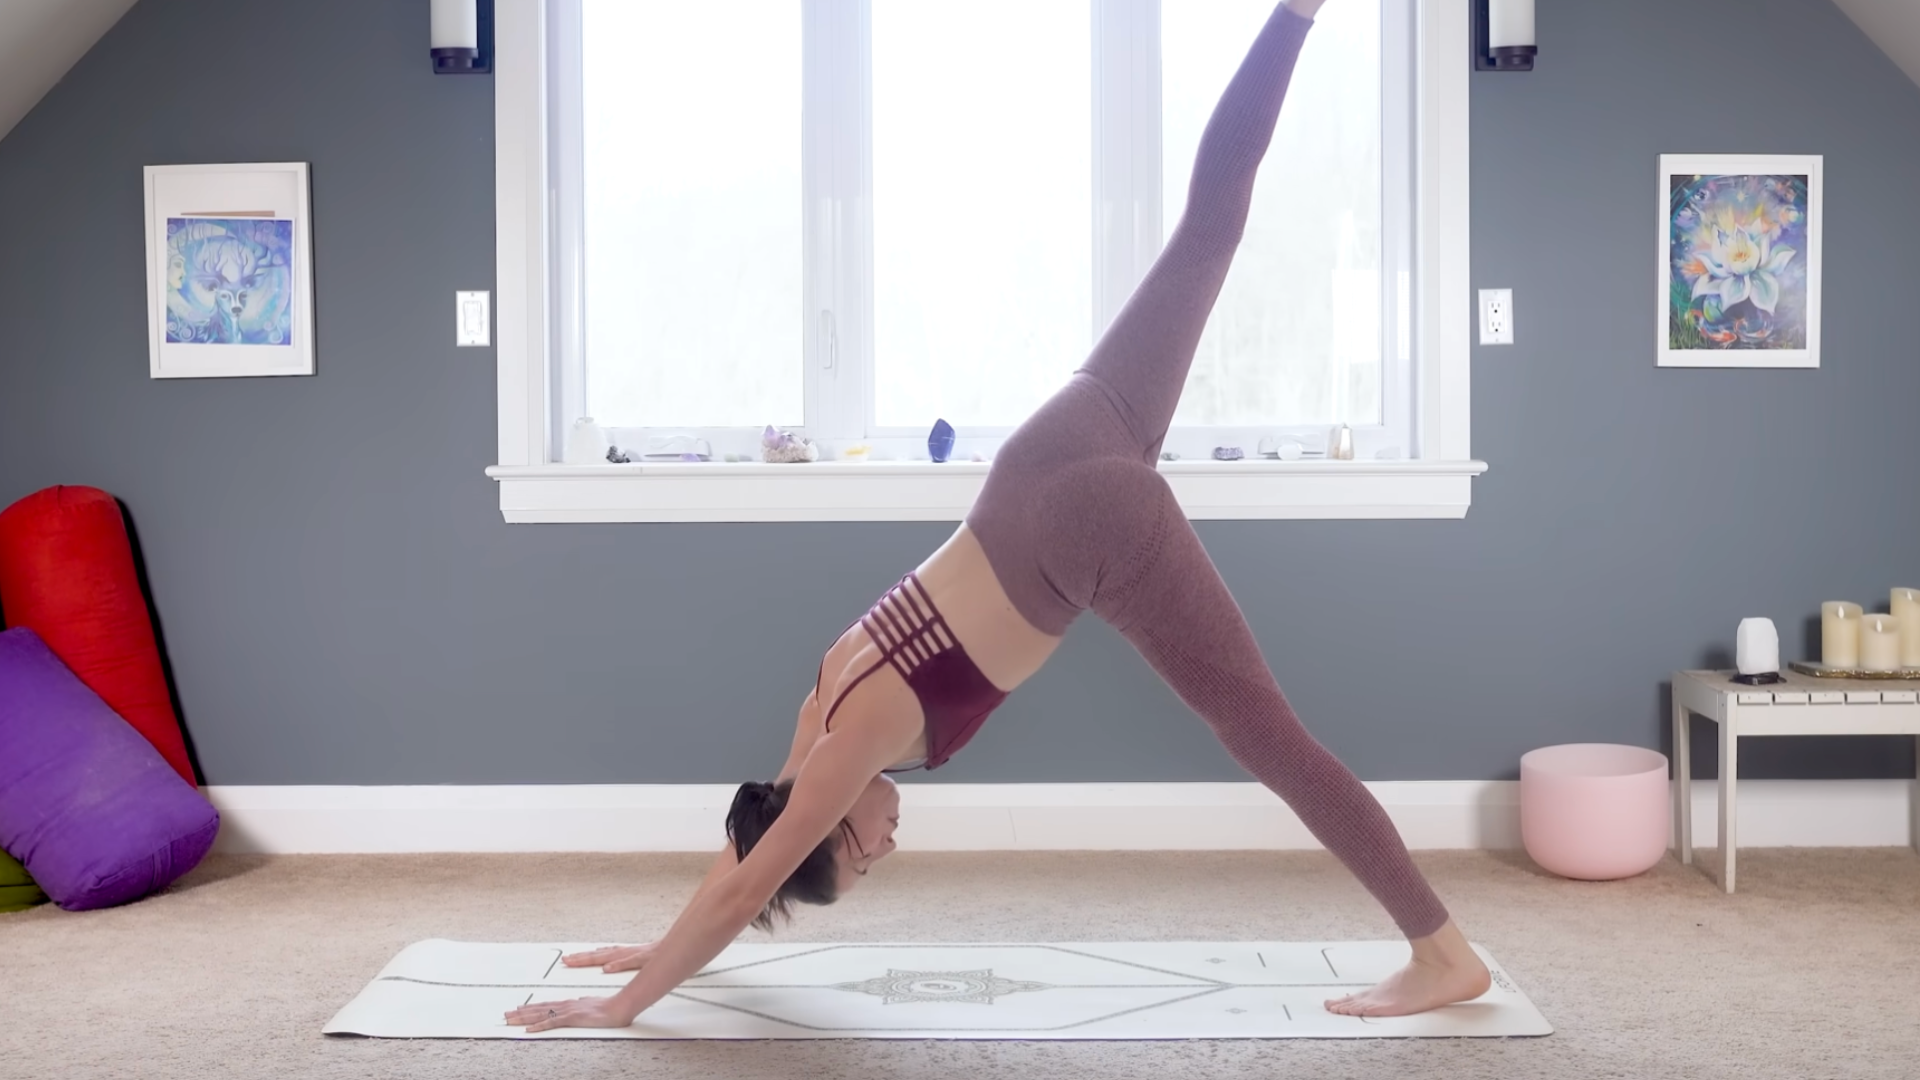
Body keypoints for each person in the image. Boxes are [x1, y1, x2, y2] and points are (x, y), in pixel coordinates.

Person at [507, 0, 1490, 1032]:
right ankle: (1295, 11)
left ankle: (1442, 953)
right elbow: (749, 857)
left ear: (830, 822)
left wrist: (625, 1005)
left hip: (1086, 530)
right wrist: (667, 950)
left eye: (861, 854)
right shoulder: (819, 707)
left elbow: (747, 884)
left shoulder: (848, 751)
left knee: (1265, 731)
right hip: (1047, 453)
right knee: (1208, 230)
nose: (886, 848)